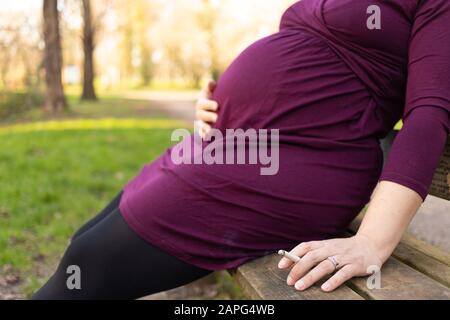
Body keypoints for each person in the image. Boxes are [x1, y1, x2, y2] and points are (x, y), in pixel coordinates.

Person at [33, 0, 450, 299]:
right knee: (84, 241)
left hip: (297, 162)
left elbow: (429, 113)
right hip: (229, 147)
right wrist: (220, 104)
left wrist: (373, 241)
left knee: (90, 263)